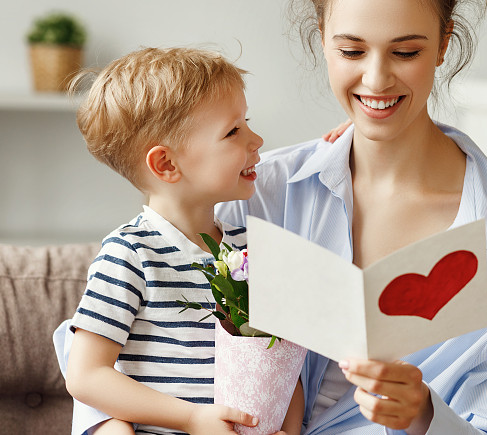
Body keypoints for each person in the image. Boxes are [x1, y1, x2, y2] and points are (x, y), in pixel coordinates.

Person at [216, 0, 487, 433]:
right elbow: (135, 315)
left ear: (444, 44)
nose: (376, 80)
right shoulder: (259, 192)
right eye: (352, 51)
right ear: (321, 39)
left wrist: (426, 416)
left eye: (406, 52)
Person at [52, 47, 304, 435]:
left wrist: (287, 428)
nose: (257, 140)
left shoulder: (250, 252)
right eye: (233, 131)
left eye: (246, 122)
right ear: (167, 164)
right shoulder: (130, 253)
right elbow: (86, 376)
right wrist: (191, 418)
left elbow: (282, 363)